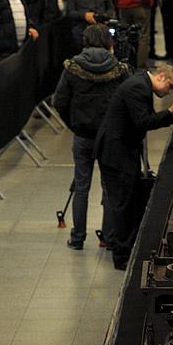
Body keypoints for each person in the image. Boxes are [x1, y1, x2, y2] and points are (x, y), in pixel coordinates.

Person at [94, 63, 173, 269]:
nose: (169, 91)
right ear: (161, 77)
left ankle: (125, 246)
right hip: (116, 154)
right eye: (170, 86)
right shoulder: (138, 87)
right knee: (123, 204)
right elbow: (143, 122)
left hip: (121, 152)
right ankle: (122, 257)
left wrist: (172, 113)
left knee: (127, 201)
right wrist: (171, 111)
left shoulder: (140, 83)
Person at [53, 24, 130, 250]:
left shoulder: (72, 68)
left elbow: (59, 101)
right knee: (108, 187)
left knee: (81, 186)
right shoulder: (119, 69)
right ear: (109, 42)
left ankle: (77, 238)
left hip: (82, 135)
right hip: (108, 137)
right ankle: (107, 237)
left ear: (84, 41)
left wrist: (73, 124)